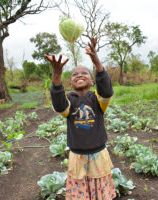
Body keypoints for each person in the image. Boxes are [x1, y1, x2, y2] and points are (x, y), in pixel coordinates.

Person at [45, 36, 116, 200]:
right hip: (77, 157)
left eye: (84, 73)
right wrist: (56, 75)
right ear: (70, 83)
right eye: (75, 74)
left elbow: (106, 90)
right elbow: (60, 105)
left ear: (92, 81)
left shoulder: (97, 99)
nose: (79, 75)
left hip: (99, 155)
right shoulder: (69, 101)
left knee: (100, 193)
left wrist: (96, 61)